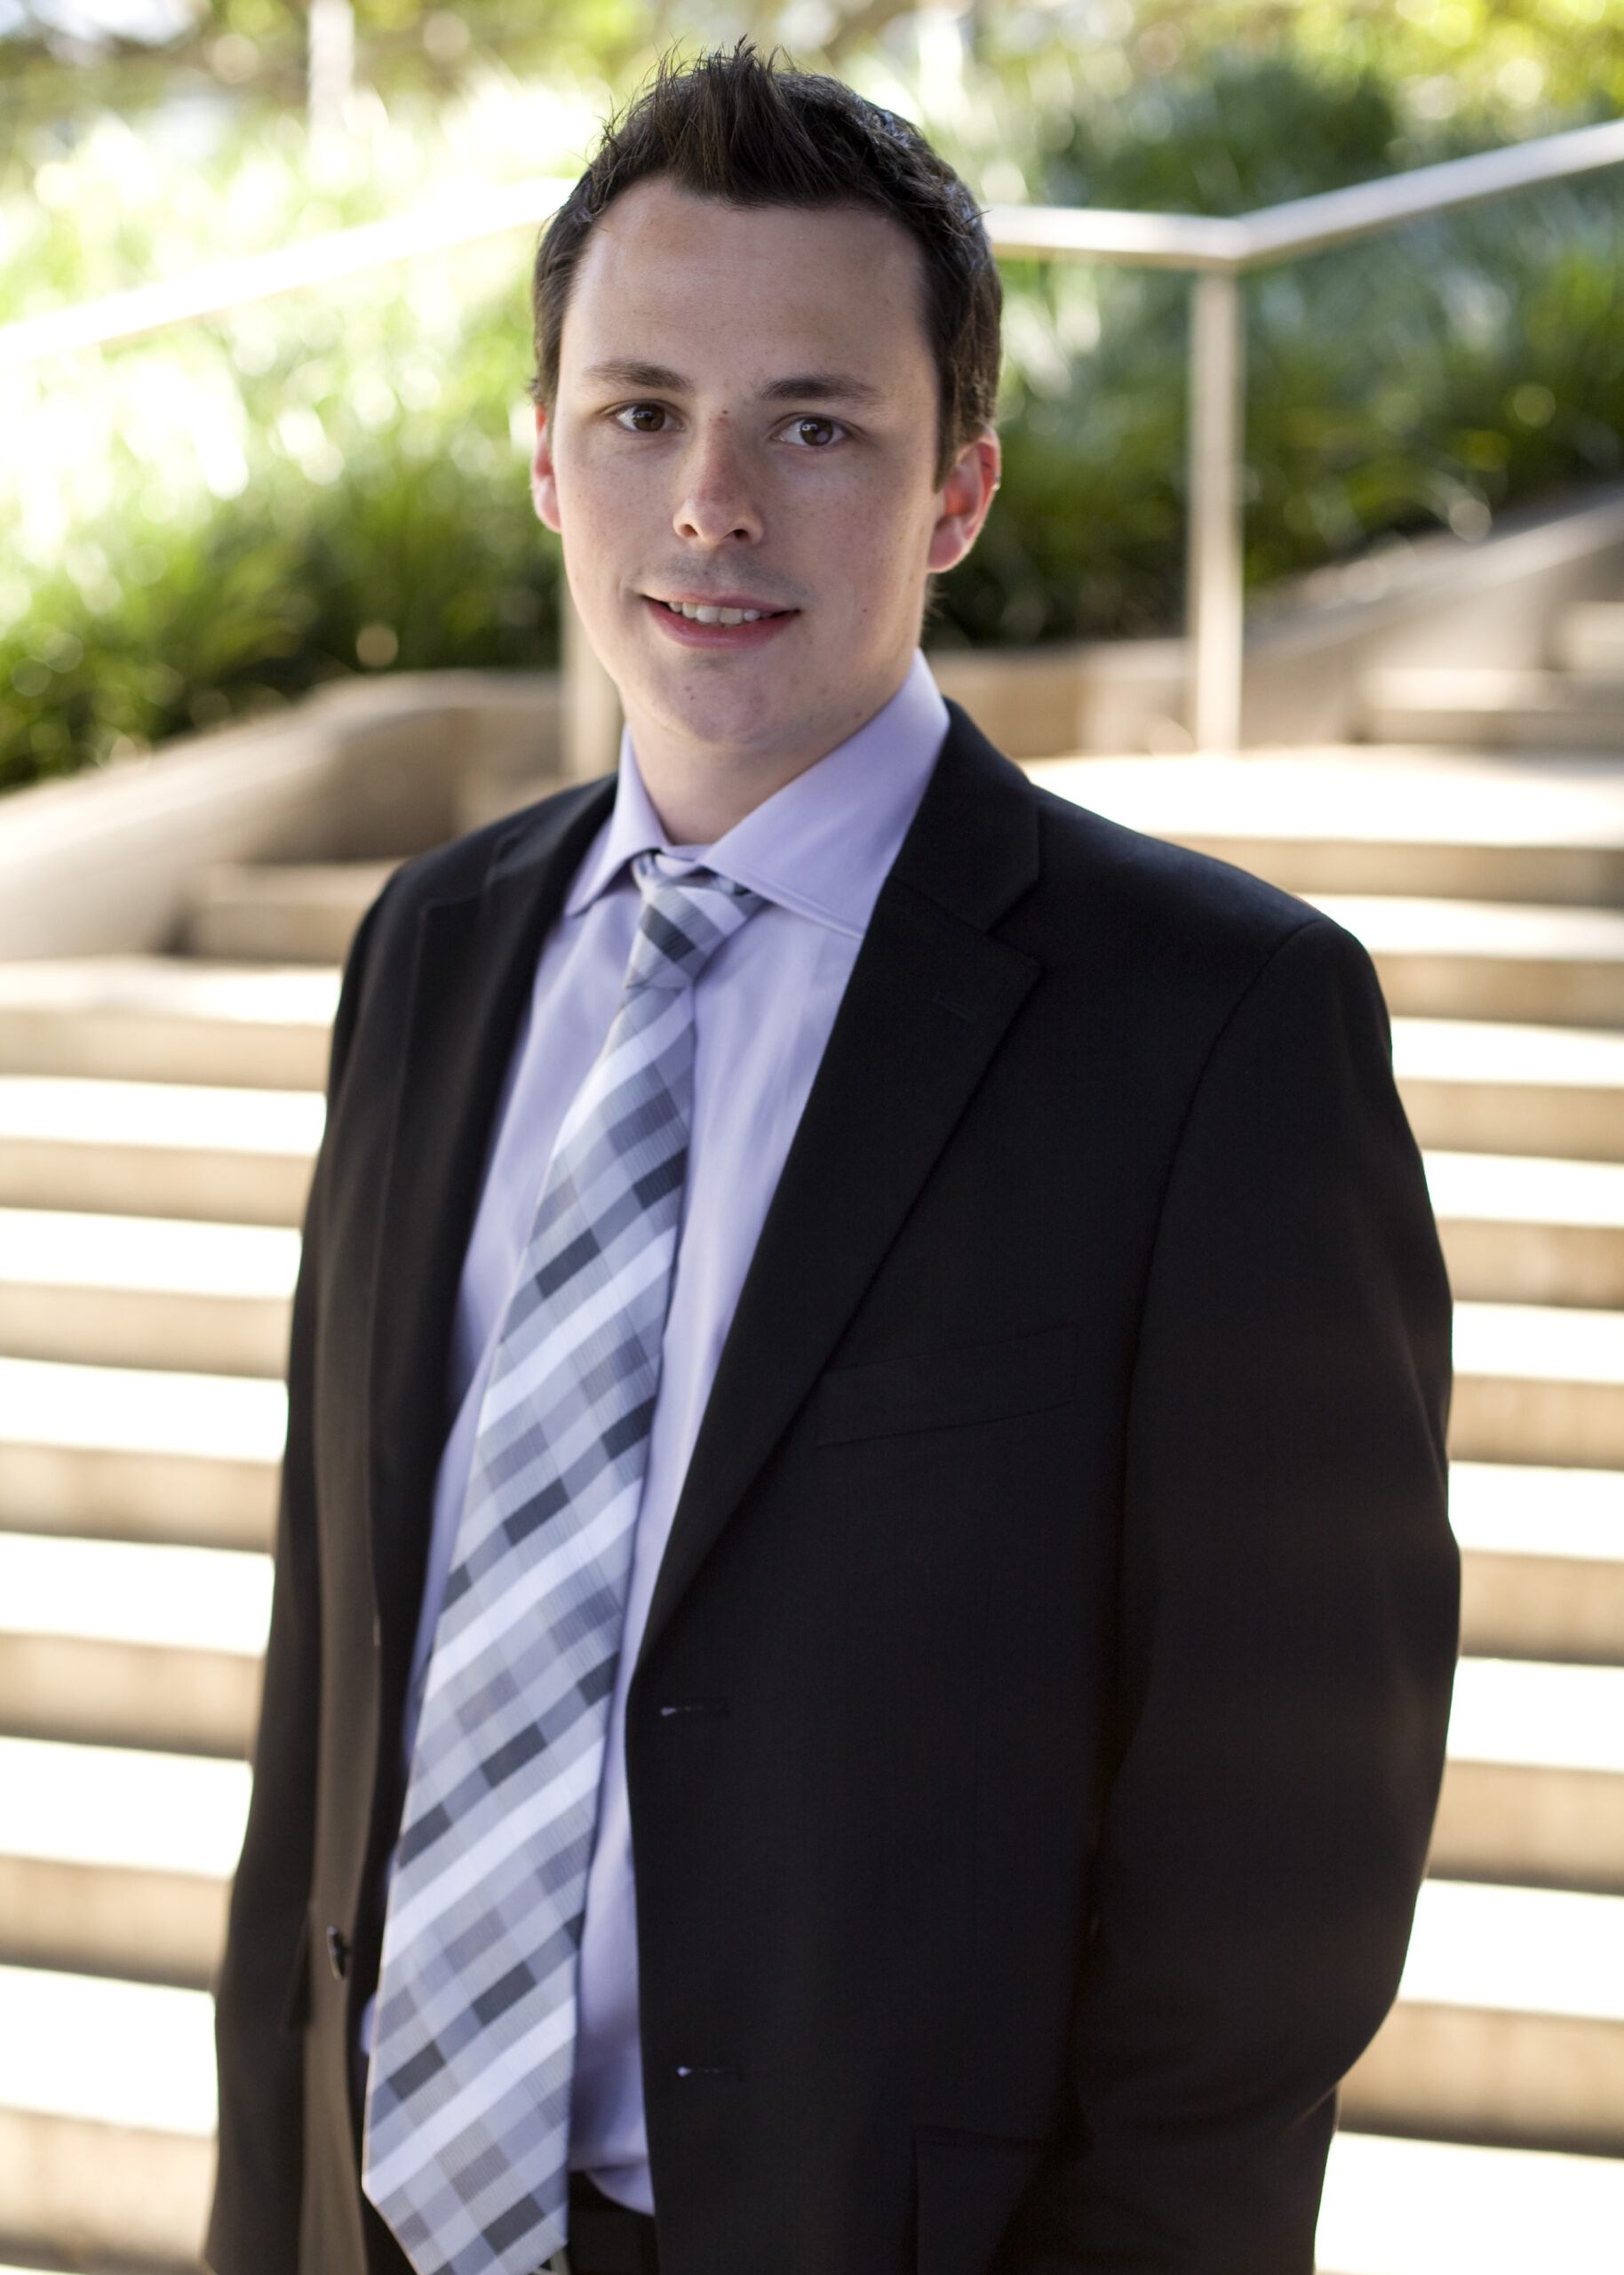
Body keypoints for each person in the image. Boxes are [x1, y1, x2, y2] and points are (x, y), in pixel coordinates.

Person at [207, 42, 1458, 2275]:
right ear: (543, 454)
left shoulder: (1213, 1030)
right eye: (641, 413)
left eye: (812, 426)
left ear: (954, 491)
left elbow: (1275, 1868)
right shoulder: (430, 951)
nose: (711, 505)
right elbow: (328, 1699)